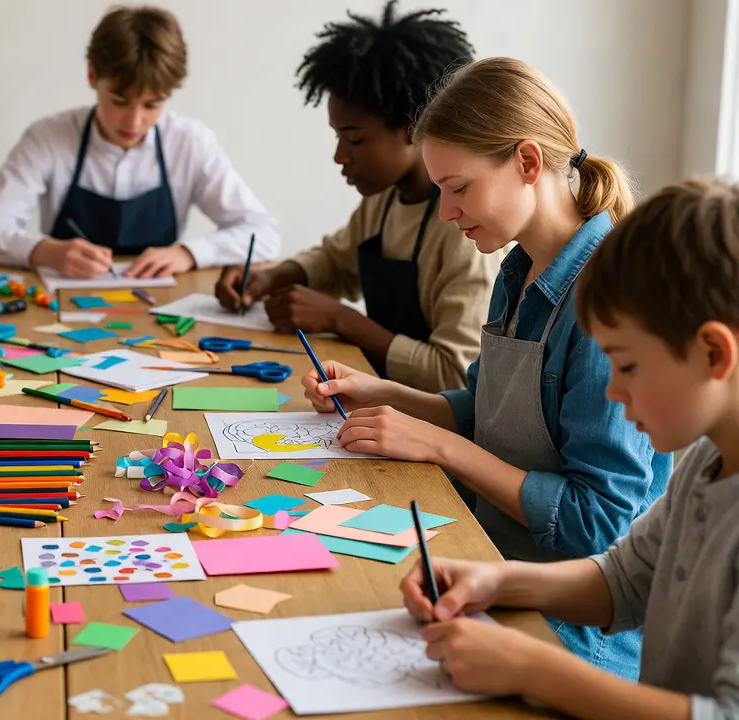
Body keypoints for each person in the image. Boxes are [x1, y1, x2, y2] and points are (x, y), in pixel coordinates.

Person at [303, 57, 670, 678]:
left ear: (528, 163)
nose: (446, 212)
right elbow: (493, 410)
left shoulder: (606, 299)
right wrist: (383, 392)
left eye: (459, 187)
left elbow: (598, 523)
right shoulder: (516, 267)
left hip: (570, 630)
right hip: (488, 558)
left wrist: (441, 446)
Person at [401, 178, 739, 717]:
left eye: (627, 365)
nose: (612, 391)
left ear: (713, 353)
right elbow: (624, 580)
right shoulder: (707, 461)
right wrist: (497, 581)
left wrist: (532, 667)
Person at [215, 1, 500, 392]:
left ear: (415, 128)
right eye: (338, 137)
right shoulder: (383, 201)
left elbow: (454, 375)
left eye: (354, 139)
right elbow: (336, 260)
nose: (339, 156)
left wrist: (341, 320)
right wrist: (271, 277)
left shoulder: (466, 231)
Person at [0, 5, 279, 279]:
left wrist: (189, 253)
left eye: (152, 105)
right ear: (92, 76)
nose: (134, 121)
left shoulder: (190, 142)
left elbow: (264, 234)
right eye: (120, 101)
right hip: (62, 315)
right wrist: (45, 251)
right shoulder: (49, 138)